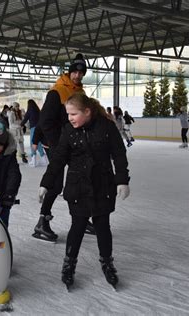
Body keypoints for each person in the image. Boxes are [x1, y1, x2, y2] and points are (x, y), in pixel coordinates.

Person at [38, 93, 130, 289]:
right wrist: (46, 182)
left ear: (87, 112)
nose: (70, 118)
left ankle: (107, 263)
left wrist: (122, 180)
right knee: (78, 226)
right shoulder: (68, 131)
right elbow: (58, 159)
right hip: (78, 186)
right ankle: (69, 265)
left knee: (102, 226)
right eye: (68, 114)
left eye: (73, 113)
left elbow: (119, 154)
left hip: (103, 185)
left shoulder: (106, 127)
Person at [36, 53, 95, 242]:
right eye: (75, 72)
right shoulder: (57, 92)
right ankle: (42, 222)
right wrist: (58, 145)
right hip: (55, 143)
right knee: (55, 183)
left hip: (73, 143)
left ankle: (81, 218)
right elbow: (45, 121)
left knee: (82, 177)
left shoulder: (80, 94)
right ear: (69, 72)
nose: (77, 76)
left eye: (81, 73)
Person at [21, 99, 47, 167]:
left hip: (34, 128)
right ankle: (43, 159)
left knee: (33, 143)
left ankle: (33, 160)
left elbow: (25, 119)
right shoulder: (38, 110)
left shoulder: (30, 110)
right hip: (40, 128)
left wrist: (21, 124)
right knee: (38, 143)